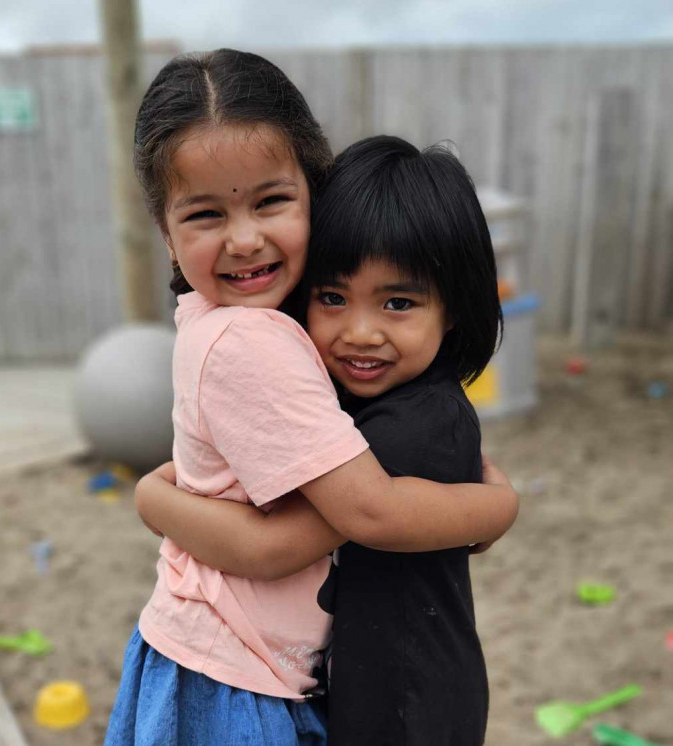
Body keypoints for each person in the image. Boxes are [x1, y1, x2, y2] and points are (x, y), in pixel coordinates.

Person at [107, 47, 517, 746]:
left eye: (270, 201)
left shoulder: (224, 317)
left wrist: (160, 494)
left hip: (226, 656)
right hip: (231, 674)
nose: (244, 241)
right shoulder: (251, 343)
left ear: (312, 191)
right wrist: (497, 506)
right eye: (205, 214)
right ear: (165, 233)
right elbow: (363, 513)